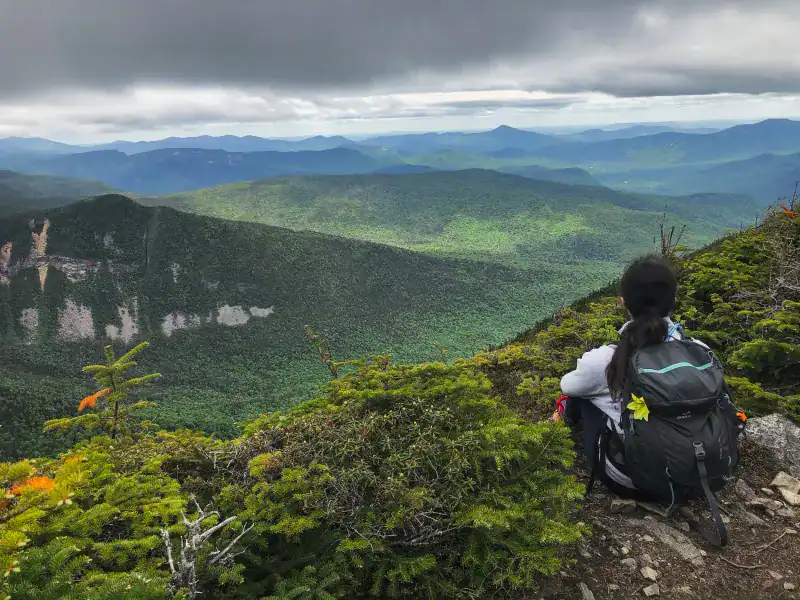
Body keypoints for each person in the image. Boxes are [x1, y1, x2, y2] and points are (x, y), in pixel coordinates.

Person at [553, 254, 709, 498]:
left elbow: (567, 385)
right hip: (703, 474)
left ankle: (556, 432)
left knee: (581, 396)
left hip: (634, 480)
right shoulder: (700, 351)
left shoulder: (606, 360)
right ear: (673, 301)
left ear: (624, 301)